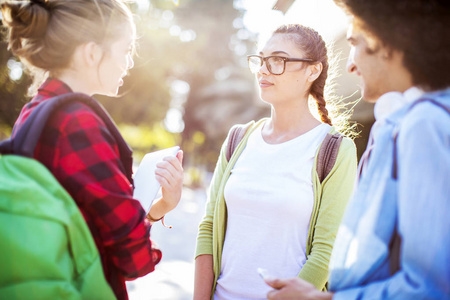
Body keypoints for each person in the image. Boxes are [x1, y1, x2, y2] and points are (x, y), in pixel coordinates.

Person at [265, 1, 450, 299]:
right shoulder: (399, 122)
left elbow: (431, 287)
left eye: (355, 43)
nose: (350, 65)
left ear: (384, 44)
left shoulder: (423, 124)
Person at [0, 0, 184, 299]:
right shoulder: (78, 122)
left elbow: (85, 216)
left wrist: (158, 207)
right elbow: (133, 257)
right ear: (91, 53)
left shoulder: (34, 111)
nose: (129, 63)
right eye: (125, 50)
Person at [194, 24, 358, 300]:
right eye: (261, 59)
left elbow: (325, 252)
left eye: (278, 60)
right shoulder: (238, 139)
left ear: (312, 70)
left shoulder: (335, 150)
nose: (263, 69)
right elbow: (208, 227)